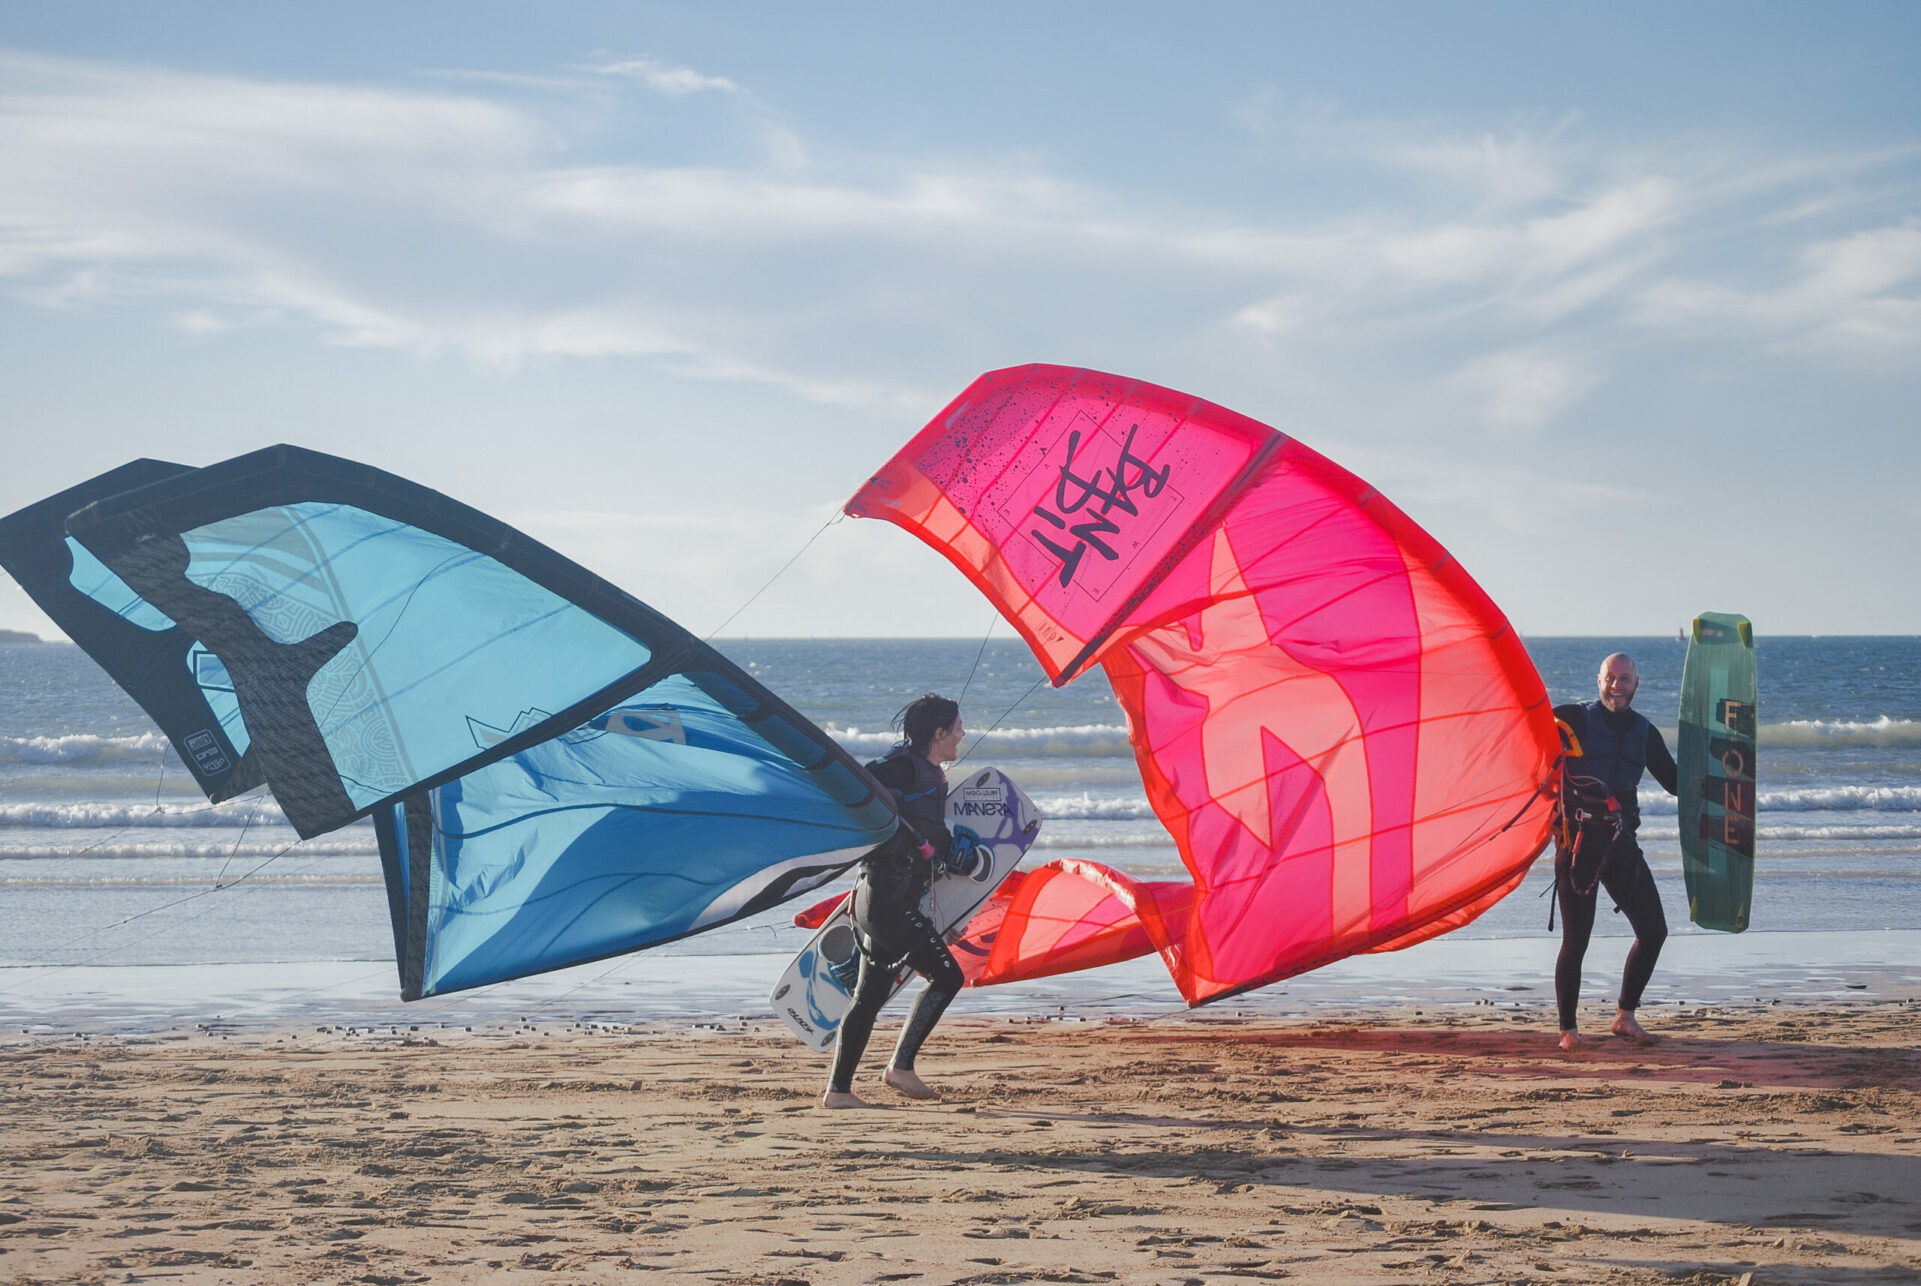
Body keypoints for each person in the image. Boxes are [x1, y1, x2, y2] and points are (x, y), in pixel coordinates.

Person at [822, 694, 969, 1108]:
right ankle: (900, 1067)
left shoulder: (930, 774)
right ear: (939, 733)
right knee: (948, 977)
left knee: (869, 996)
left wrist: (948, 850)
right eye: (957, 727)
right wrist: (903, 832)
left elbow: (930, 836)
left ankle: (839, 1092)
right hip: (884, 899)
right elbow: (860, 788)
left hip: (888, 899)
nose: (962, 733)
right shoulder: (901, 767)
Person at [1551, 653, 1678, 1051]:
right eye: (1610, 678)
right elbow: (1522, 735)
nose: (1616, 686)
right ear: (1599, 680)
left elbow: (1674, 783)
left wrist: (1712, 762)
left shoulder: (1645, 733)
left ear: (1637, 684)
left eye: (1624, 679)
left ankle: (1624, 1015)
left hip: (1621, 844)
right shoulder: (1572, 718)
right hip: (1577, 845)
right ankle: (1568, 1031)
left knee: (1654, 931)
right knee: (1577, 941)